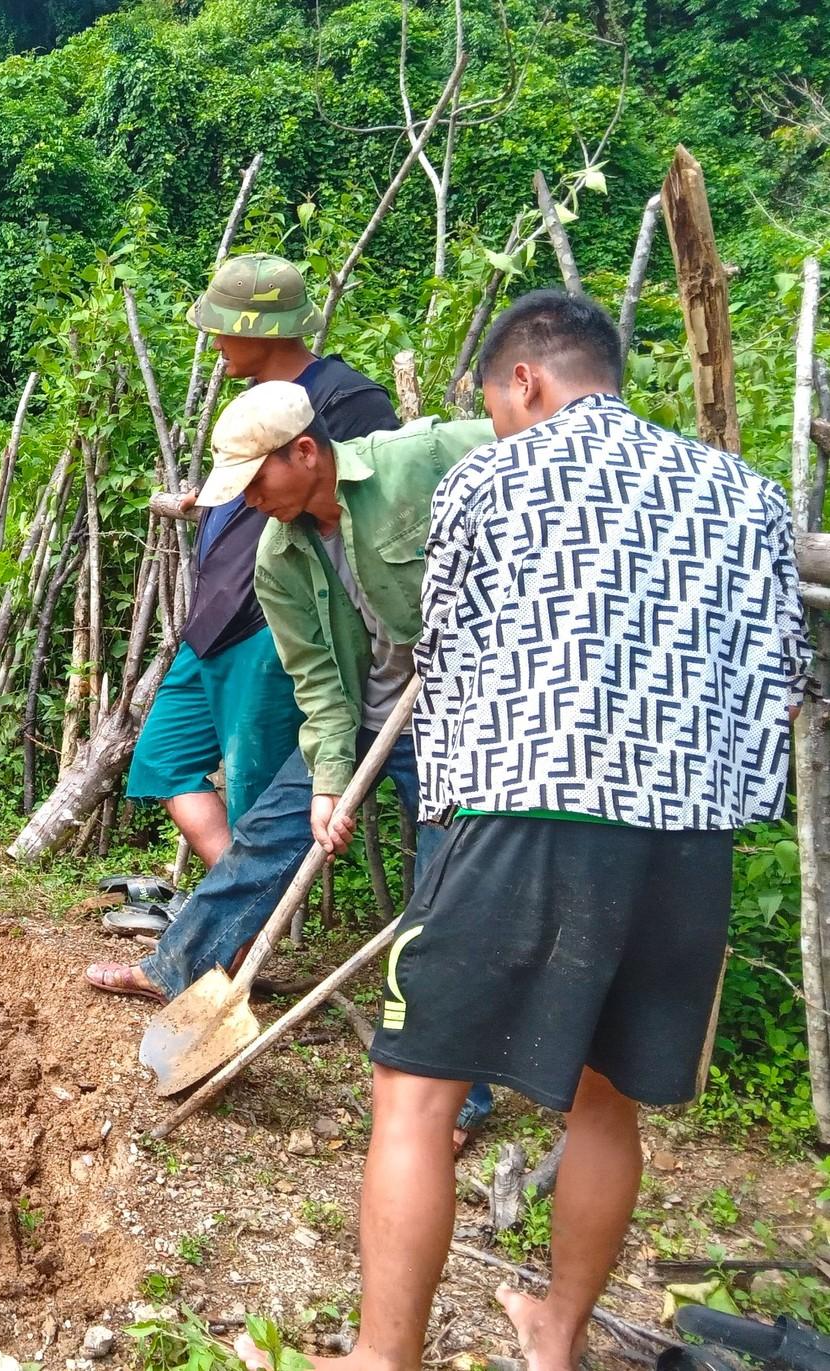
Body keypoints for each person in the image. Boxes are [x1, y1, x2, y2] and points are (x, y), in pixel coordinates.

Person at [248, 293, 806, 1371]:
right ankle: (554, 1331)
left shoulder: (485, 479)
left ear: (525, 384)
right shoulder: (750, 495)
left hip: (516, 812)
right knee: (605, 1106)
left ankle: (381, 1359)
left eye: (499, 405)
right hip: (685, 842)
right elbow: (779, 677)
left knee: (414, 1096)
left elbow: (445, 654)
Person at [86, 380, 498, 1140]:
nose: (247, 502)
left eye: (255, 482)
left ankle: (458, 1093)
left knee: (442, 890)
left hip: (462, 721)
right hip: (368, 715)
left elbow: (533, 445)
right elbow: (318, 679)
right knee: (270, 831)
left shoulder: (425, 459)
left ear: (305, 452)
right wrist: (330, 786)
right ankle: (179, 967)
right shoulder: (279, 554)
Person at [124, 254, 399, 916]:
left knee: (252, 789)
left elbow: (359, 510)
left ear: (265, 328)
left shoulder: (348, 399)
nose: (214, 343)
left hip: (274, 625)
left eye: (223, 327)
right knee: (163, 758)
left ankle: (239, 939)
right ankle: (243, 906)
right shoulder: (253, 404)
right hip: (214, 617)